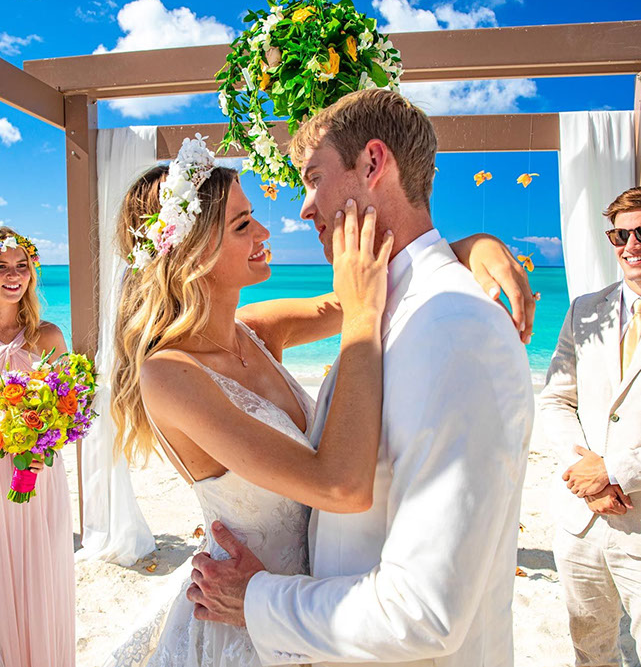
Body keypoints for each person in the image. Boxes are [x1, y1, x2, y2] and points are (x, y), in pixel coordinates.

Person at [105, 128, 534, 667]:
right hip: (243, 612)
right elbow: (340, 485)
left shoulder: (256, 329)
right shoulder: (169, 375)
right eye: (242, 225)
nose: (265, 231)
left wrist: (472, 247)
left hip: (318, 610)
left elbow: (372, 282)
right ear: (194, 255)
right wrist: (362, 319)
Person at [539, 186, 641, 666]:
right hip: (583, 520)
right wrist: (588, 478)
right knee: (591, 652)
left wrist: (614, 470)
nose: (631, 245)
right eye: (621, 235)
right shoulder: (584, 310)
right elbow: (556, 400)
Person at [0, 227, 75, 667]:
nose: (14, 276)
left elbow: (71, 409)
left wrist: (42, 440)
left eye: (22, 266)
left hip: (40, 477)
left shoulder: (48, 336)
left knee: (43, 579)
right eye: (1, 267)